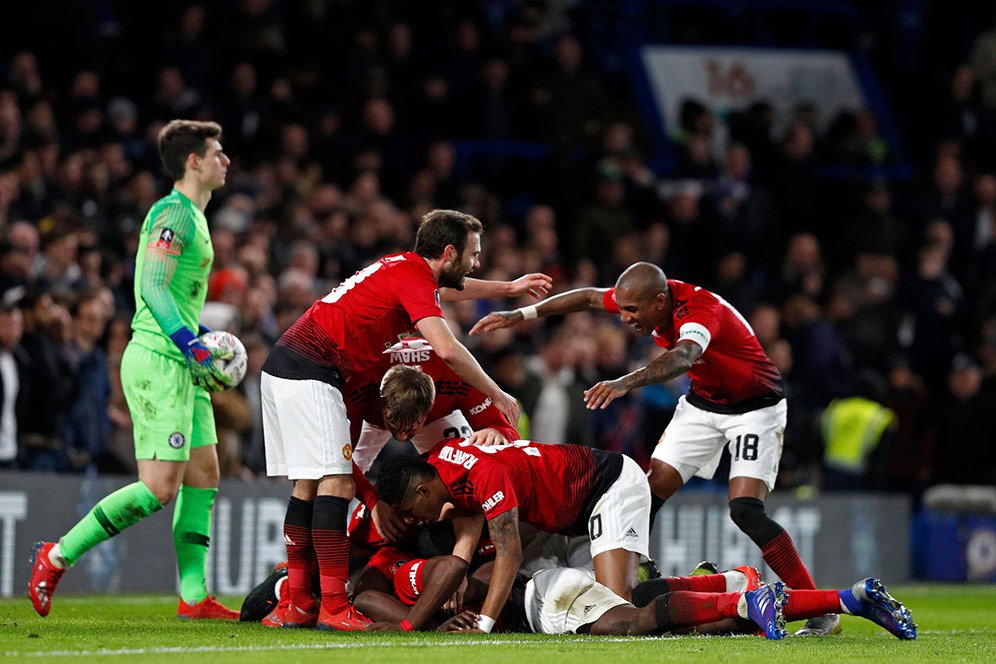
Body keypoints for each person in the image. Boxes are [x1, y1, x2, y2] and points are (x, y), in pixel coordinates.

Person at [470, 261, 838, 636]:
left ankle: (819, 607)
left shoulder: (699, 311)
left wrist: (626, 382)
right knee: (648, 490)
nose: (626, 318)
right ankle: (645, 573)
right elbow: (589, 298)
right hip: (703, 404)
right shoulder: (643, 295)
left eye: (633, 311)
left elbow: (683, 357)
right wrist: (521, 313)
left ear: (660, 301)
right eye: (624, 309)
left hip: (755, 408)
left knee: (745, 509)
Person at [260, 208, 548, 631]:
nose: (477, 262)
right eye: (473, 254)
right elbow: (448, 349)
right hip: (315, 368)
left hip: (287, 364)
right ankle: (335, 608)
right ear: (449, 253)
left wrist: (509, 288)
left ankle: (299, 602)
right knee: (337, 482)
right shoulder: (413, 278)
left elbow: (451, 290)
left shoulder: (403, 268)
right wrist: (496, 391)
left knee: (307, 486)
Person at [29, 119, 240, 619]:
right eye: (217, 152)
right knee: (159, 489)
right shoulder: (174, 213)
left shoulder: (195, 215)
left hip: (182, 363)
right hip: (161, 358)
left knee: (205, 473)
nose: (225, 160)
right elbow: (150, 285)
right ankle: (55, 557)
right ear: (194, 161)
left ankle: (193, 597)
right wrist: (192, 343)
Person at [376, 364, 651, 634]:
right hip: (562, 511)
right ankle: (626, 569)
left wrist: (483, 626)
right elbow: (466, 525)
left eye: (409, 511)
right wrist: (451, 582)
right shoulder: (442, 459)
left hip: (607, 484)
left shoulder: (484, 476)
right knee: (538, 585)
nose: (413, 520)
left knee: (616, 604)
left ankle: (643, 575)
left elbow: (509, 552)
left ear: (423, 490)